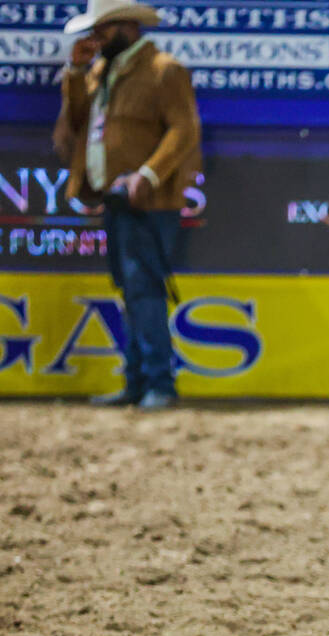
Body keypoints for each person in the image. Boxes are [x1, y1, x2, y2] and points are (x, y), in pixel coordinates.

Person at [54, 0, 202, 410]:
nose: (95, 38)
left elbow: (184, 128)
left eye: (102, 29)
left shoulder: (163, 69)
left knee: (143, 286)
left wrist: (148, 175)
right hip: (112, 198)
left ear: (127, 27)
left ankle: (159, 383)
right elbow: (79, 120)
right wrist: (77, 72)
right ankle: (137, 381)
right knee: (128, 288)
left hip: (149, 201)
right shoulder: (102, 70)